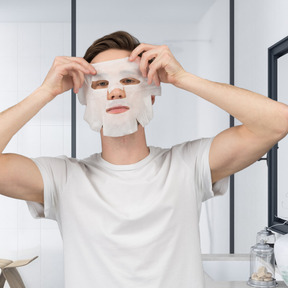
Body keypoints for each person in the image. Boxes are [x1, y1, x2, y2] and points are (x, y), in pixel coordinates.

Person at [0, 31, 287, 288]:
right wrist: (44, 92)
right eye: (100, 84)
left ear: (151, 95)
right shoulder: (62, 177)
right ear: (86, 99)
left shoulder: (187, 164)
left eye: (128, 79)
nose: (115, 91)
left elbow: (277, 122)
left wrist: (183, 78)